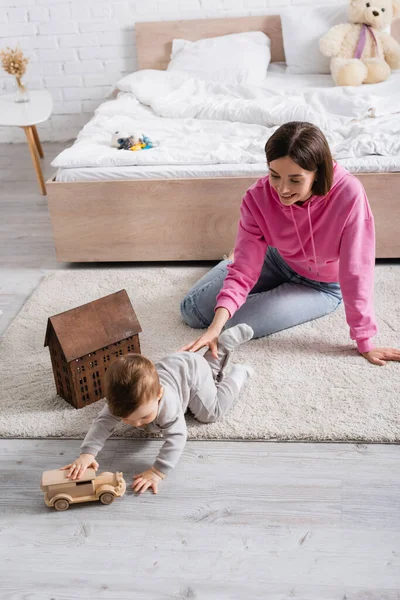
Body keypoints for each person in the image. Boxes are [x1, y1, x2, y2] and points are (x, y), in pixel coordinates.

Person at [180, 121, 400, 367]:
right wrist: (214, 326)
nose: (282, 189)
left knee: (233, 325)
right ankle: (232, 260)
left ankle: (236, 266)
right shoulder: (258, 197)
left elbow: (356, 271)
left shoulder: (349, 195)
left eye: (295, 180)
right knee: (193, 312)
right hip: (278, 259)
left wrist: (365, 341)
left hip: (322, 287)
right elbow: (245, 270)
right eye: (275, 175)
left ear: (318, 173)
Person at [61, 324, 254, 494]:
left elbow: (178, 437)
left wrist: (158, 472)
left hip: (193, 375)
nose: (136, 424)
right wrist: (87, 453)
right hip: (175, 365)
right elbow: (102, 422)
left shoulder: (168, 404)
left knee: (211, 412)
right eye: (127, 419)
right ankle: (219, 349)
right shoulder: (121, 400)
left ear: (159, 395)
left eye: (144, 416)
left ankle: (238, 372)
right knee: (202, 380)